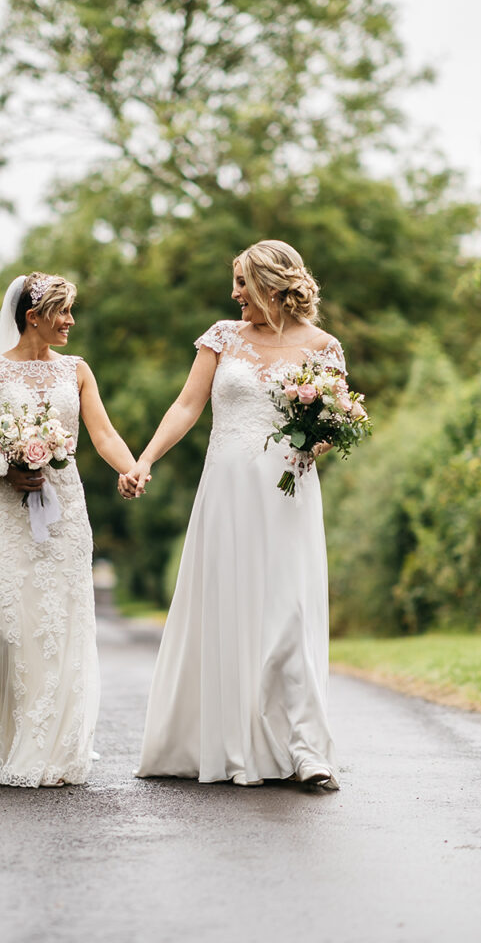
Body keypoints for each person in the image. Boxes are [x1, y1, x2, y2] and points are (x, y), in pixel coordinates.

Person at [123, 240, 344, 789]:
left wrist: (319, 440)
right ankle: (220, 741)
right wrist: (144, 459)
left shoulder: (324, 346)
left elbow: (332, 422)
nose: (234, 293)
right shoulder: (222, 338)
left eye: (243, 283)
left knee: (289, 611)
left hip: (288, 493)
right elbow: (186, 406)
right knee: (230, 606)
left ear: (273, 285)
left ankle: (307, 750)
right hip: (226, 489)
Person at [0, 272, 138, 787]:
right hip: (7, 512)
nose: (71, 322)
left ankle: (51, 749)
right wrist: (3, 467)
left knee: (58, 622)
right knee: (7, 625)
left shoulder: (77, 371)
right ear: (34, 317)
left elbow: (102, 434)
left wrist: (130, 467)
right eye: (63, 312)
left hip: (64, 513)